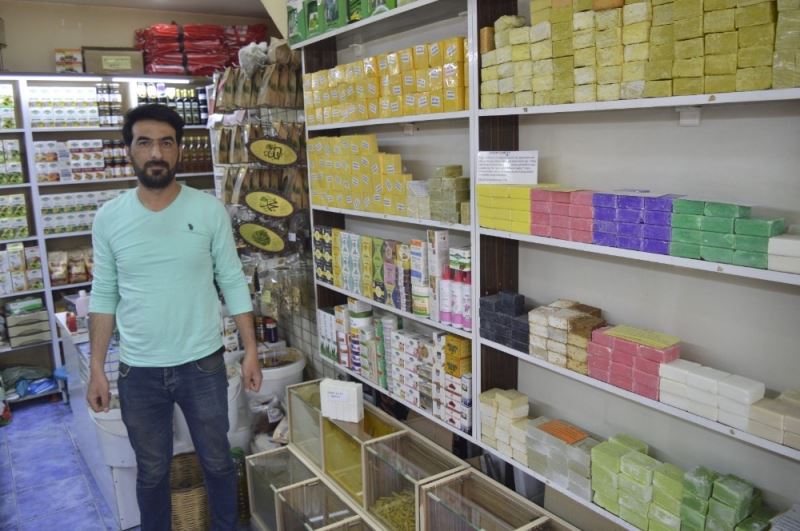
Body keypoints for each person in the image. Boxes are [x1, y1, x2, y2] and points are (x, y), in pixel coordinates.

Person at [86, 103, 262, 531]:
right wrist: (96, 368)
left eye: (166, 143)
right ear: (129, 150)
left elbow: (232, 280)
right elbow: (104, 295)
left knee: (218, 462)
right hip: (139, 371)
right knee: (151, 473)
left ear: (179, 149)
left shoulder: (207, 210)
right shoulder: (109, 218)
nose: (156, 153)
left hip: (203, 364)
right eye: (144, 142)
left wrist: (251, 350)